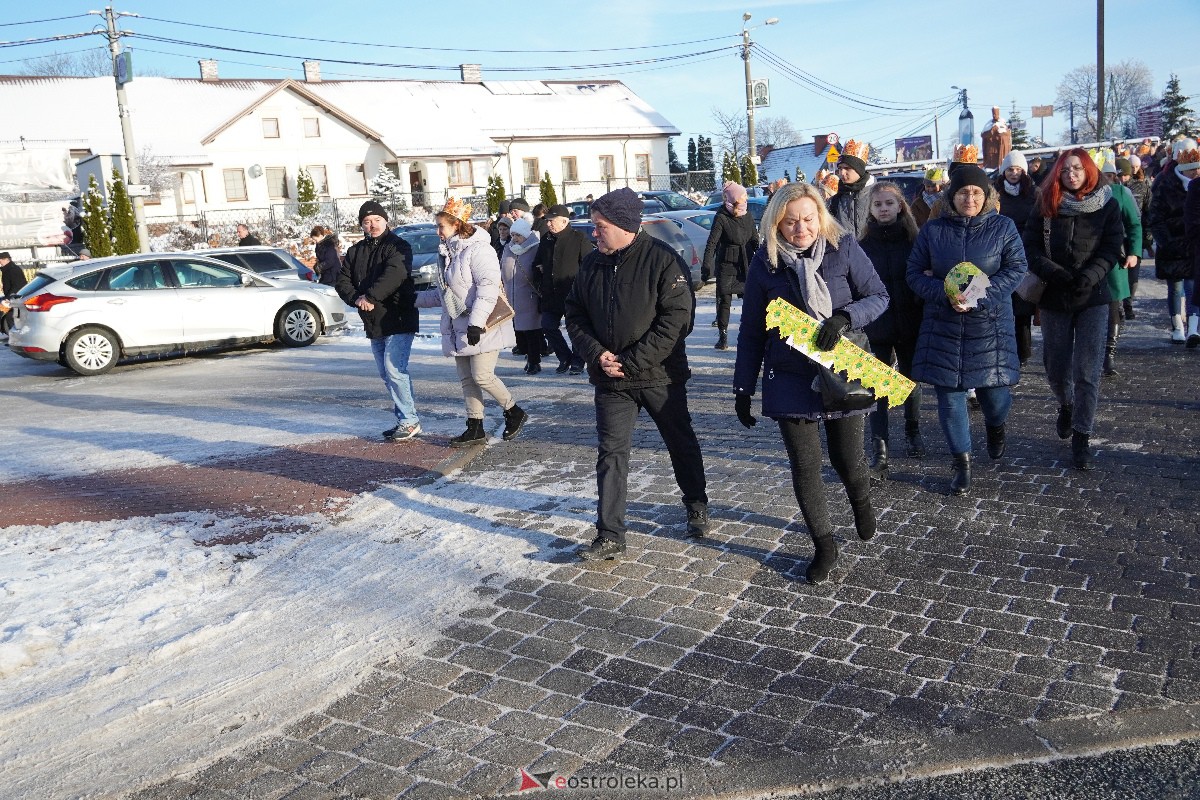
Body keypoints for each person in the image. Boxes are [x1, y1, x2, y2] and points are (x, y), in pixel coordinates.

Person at [733, 182, 888, 584]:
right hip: (789, 373)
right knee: (805, 466)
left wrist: (845, 317)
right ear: (776, 223)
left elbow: (878, 295)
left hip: (843, 368)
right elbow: (751, 329)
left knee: (848, 460)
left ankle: (860, 497)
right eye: (790, 221)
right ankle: (825, 545)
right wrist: (742, 387)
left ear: (820, 216)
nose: (800, 228)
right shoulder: (764, 264)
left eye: (807, 219)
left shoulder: (844, 248)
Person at [564, 187, 708, 561]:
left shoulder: (662, 260)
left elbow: (677, 321)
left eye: (599, 226)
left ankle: (696, 502)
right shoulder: (591, 264)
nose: (593, 233)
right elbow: (575, 315)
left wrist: (630, 360)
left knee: (680, 442)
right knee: (611, 454)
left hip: (659, 375)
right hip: (610, 380)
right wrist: (598, 356)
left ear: (624, 225)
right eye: (593, 226)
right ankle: (610, 535)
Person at [907, 164, 1027, 494]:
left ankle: (996, 424)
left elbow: (1017, 268)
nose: (969, 198)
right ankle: (962, 463)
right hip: (944, 325)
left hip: (989, 326)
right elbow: (914, 273)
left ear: (987, 195)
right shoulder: (933, 230)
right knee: (949, 397)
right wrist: (945, 295)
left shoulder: (1003, 227)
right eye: (962, 192)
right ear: (952, 196)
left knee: (995, 396)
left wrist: (980, 296)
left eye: (976, 192)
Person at [1023, 149, 1123, 470]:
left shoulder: (1107, 204)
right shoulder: (1046, 203)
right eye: (1065, 171)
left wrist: (1090, 276)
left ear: (1089, 170)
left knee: (1087, 370)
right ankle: (1065, 404)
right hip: (1055, 294)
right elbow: (1031, 247)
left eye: (1078, 169)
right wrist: (1056, 273)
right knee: (1055, 367)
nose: (1072, 175)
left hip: (1093, 295)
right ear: (1058, 174)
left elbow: (1111, 247)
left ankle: (1082, 435)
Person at [416, 197, 527, 446]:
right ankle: (475, 426)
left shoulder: (479, 250)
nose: (437, 231)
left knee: (482, 375)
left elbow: (488, 287)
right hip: (460, 325)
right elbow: (445, 295)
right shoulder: (448, 255)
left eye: (441, 226)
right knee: (467, 379)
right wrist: (411, 299)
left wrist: (476, 323)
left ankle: (514, 411)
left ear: (457, 225)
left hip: (484, 325)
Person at [336, 200, 421, 442]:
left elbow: (395, 274)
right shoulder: (355, 251)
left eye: (376, 220)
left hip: (398, 315)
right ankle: (404, 418)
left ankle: (409, 420)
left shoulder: (399, 246)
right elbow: (343, 281)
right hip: (373, 320)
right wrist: (358, 299)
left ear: (386, 221)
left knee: (395, 370)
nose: (372, 225)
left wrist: (371, 295)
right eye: (366, 222)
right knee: (387, 373)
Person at [860, 181, 924, 478]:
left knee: (910, 381)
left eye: (889, 203)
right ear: (870, 210)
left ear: (900, 206)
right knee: (877, 386)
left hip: (911, 321)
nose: (883, 209)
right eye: (878, 204)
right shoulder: (862, 246)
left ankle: (913, 430)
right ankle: (880, 447)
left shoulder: (914, 240)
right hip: (877, 325)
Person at [1147, 139, 1200, 343]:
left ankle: (1193, 328)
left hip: (1194, 243)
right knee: (1176, 287)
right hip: (1172, 241)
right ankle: (1177, 325)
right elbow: (1155, 215)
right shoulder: (1164, 180)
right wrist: (1166, 241)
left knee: (1193, 285)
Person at [533, 204, 593, 374]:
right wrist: (539, 272)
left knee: (575, 330)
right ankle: (564, 357)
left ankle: (577, 362)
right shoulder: (546, 239)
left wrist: (583, 289)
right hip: (550, 294)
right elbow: (537, 263)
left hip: (573, 294)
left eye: (552, 221)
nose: (549, 224)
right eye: (547, 221)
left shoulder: (579, 238)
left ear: (564, 221)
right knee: (547, 326)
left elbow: (588, 267)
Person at [992, 150, 1039, 367]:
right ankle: (1004, 351)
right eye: (1010, 169)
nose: (1013, 173)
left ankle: (1024, 352)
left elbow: (1040, 222)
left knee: (1023, 309)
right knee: (1002, 307)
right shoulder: (995, 193)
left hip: (1026, 253)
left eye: (1018, 169)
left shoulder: (1033, 194)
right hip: (1000, 254)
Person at [1097, 156, 1141, 376]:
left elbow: (1134, 224)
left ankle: (1109, 354)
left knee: (1114, 304)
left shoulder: (1121, 193)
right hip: (1087, 256)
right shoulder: (1082, 192)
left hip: (1115, 256)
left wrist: (1134, 251)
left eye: (1107, 175)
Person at [702, 181, 759, 350]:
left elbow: (755, 240)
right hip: (727, 265)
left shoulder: (747, 215)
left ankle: (750, 335)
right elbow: (712, 243)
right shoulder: (721, 217)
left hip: (745, 264)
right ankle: (723, 337)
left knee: (750, 301)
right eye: (743, 196)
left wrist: (764, 258)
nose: (746, 198)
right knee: (724, 301)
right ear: (734, 198)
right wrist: (706, 266)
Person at [501, 216, 543, 373]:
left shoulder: (535, 247)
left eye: (517, 235)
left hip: (529, 295)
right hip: (510, 295)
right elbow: (502, 267)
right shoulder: (509, 248)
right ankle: (529, 356)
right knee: (518, 331)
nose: (514, 238)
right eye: (512, 235)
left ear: (526, 234)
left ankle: (534, 361)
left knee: (531, 330)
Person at [1119, 155, 1151, 318]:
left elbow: (1148, 210)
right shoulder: (1116, 188)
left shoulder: (1143, 185)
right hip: (1118, 235)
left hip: (1133, 232)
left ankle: (1128, 303)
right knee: (1119, 272)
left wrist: (1147, 236)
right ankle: (1120, 303)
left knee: (1133, 274)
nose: (1133, 170)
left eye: (1136, 167)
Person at [828, 139, 875, 237]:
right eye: (840, 168)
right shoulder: (835, 201)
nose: (842, 173)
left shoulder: (877, 195)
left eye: (847, 168)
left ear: (859, 169)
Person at [0, 251, 29, 336]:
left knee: (10, 318)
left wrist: (8, 298)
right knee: (9, 317)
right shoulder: (7, 269)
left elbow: (18, 286)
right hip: (11, 297)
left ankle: (17, 338)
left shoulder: (13, 269)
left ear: (6, 259)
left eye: (0, 260)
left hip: (15, 298)